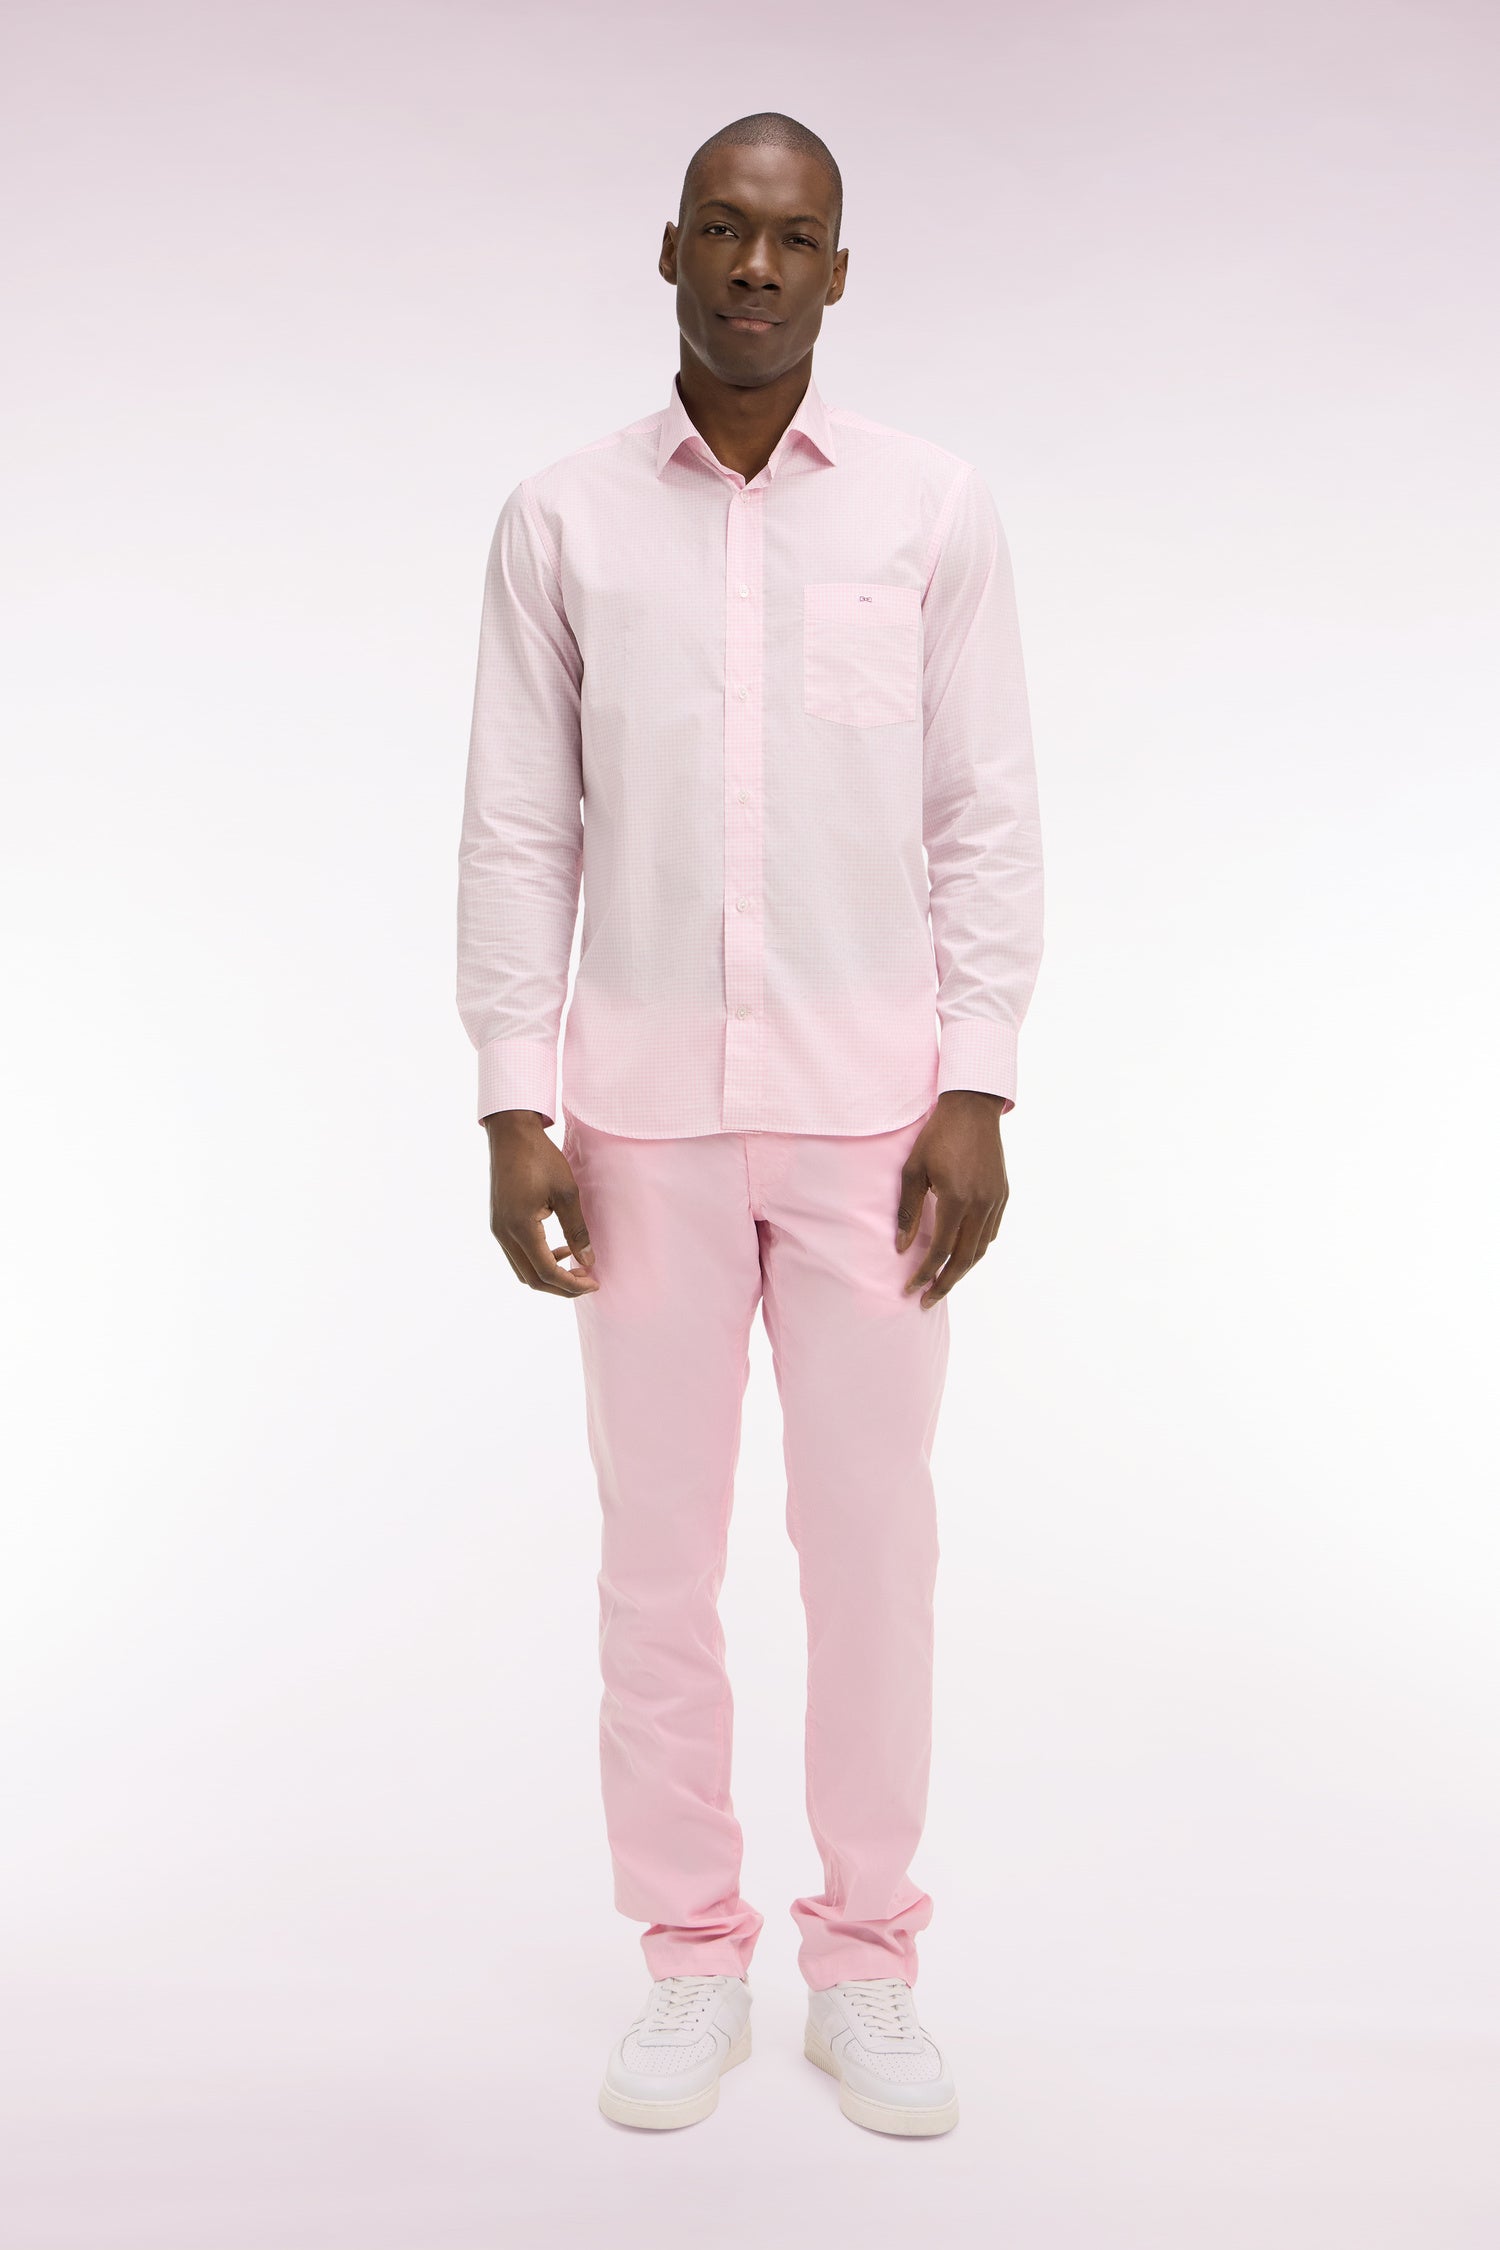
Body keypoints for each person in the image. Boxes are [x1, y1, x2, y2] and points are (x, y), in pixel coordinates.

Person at [456, 110, 1044, 2137]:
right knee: (656, 1560)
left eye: (794, 238)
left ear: (840, 271)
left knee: (873, 1550)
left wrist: (978, 1080)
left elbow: (985, 810)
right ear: (671, 250)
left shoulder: (931, 510)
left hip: (878, 1123)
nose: (758, 266)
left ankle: (866, 1960)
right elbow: (518, 826)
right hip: (637, 1122)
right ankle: (691, 1957)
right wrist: (514, 1098)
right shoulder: (561, 521)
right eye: (724, 228)